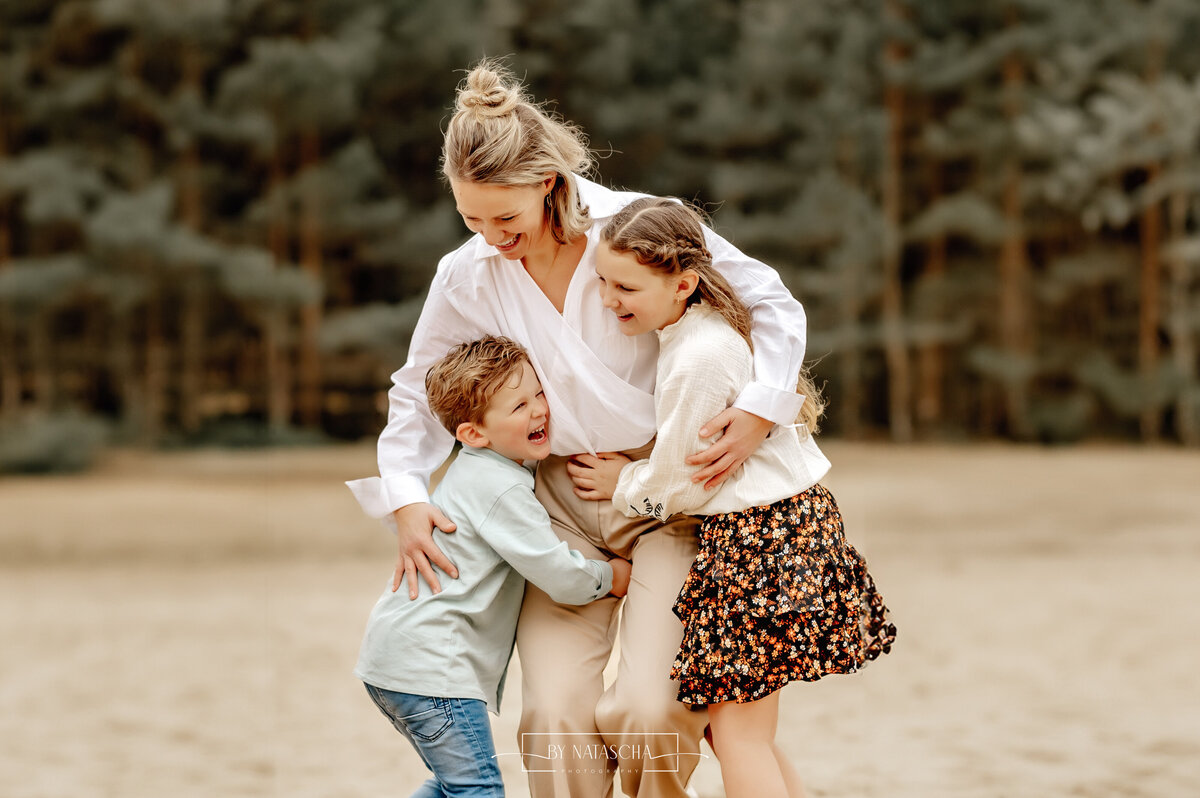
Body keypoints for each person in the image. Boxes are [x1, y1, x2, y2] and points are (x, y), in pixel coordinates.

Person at [360, 58, 810, 798]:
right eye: (471, 220)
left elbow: (769, 301)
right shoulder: (466, 274)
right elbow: (415, 389)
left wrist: (762, 407)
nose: (490, 237)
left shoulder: (637, 224)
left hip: (668, 497)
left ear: (546, 182)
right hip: (556, 504)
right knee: (553, 719)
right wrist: (406, 495)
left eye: (504, 219)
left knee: (651, 710)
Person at [568, 197, 897, 798]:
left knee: (738, 736)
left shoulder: (700, 356)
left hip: (760, 542)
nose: (609, 299)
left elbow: (682, 480)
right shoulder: (699, 334)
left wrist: (623, 484)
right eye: (603, 283)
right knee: (743, 734)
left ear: (683, 284)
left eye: (626, 287)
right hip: (775, 534)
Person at [347, 336, 633, 798]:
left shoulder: (484, 471)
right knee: (477, 789)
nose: (539, 410)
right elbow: (557, 572)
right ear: (474, 434)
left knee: (454, 786)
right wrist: (610, 577)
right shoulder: (500, 488)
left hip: (397, 664)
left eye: (539, 394)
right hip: (433, 671)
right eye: (519, 406)